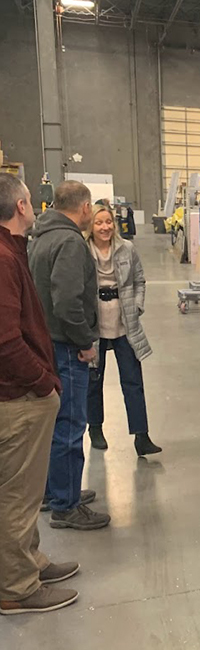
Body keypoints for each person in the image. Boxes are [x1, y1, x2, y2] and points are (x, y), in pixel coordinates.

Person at [0, 175, 80, 614]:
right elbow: (5, 341)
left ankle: (29, 562)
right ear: (20, 206)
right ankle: (17, 587)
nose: (34, 207)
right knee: (17, 495)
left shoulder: (15, 250)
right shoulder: (3, 258)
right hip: (18, 399)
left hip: (21, 394)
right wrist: (43, 382)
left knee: (26, 492)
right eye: (30, 200)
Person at [30, 181, 111, 531]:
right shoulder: (70, 242)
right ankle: (66, 506)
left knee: (56, 424)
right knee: (70, 424)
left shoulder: (41, 236)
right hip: (65, 346)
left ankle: (55, 491)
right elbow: (67, 302)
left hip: (46, 342)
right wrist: (84, 341)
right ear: (85, 207)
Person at [84, 204, 161, 456]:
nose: (105, 227)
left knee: (133, 380)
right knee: (94, 380)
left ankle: (141, 436)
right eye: (99, 223)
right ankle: (95, 428)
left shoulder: (127, 248)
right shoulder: (82, 250)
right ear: (91, 226)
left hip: (124, 323)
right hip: (95, 326)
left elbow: (139, 280)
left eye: (108, 222)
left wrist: (137, 306)